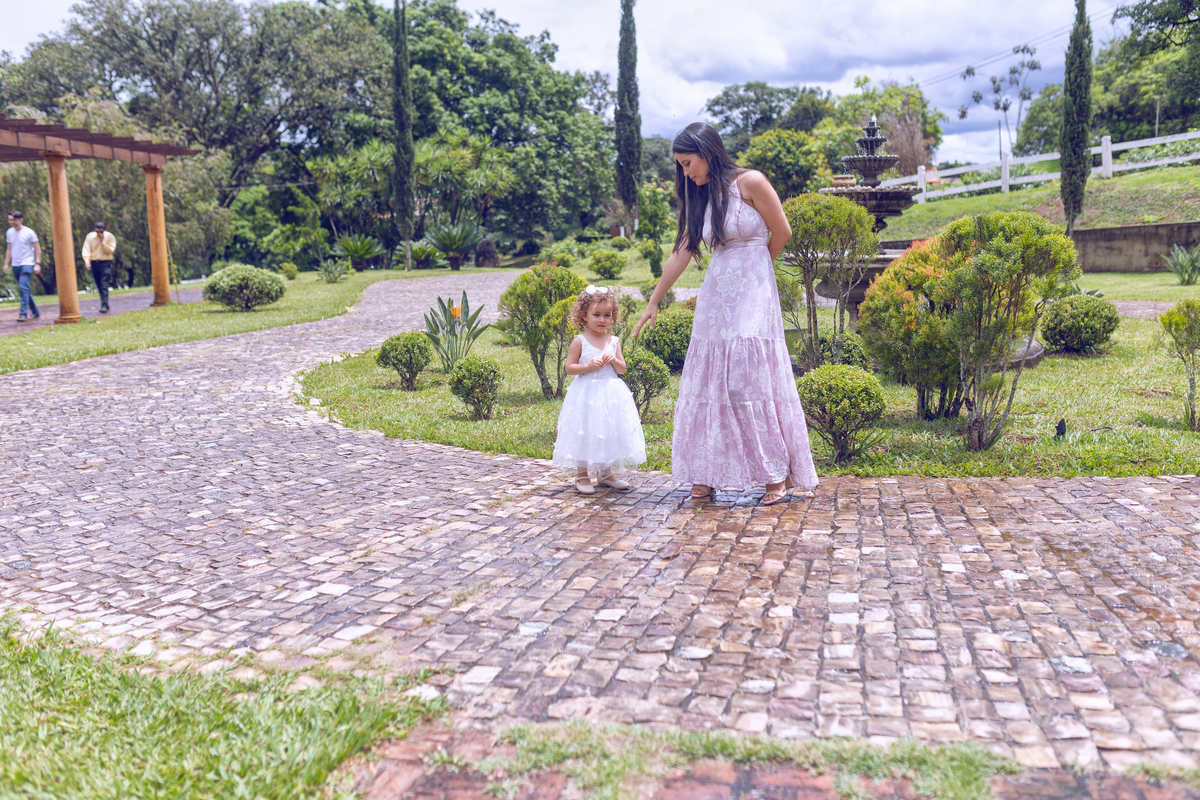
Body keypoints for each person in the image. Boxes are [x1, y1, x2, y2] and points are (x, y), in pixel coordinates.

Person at [634, 122, 818, 505]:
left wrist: (756, 271)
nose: (686, 172)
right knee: (709, 380)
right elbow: (682, 251)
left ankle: (775, 475)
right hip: (717, 296)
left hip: (753, 290)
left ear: (707, 152)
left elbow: (781, 231)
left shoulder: (751, 182)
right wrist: (654, 301)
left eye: (688, 163)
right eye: (681, 166)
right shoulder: (702, 196)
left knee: (745, 378)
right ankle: (705, 473)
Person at [552, 285, 646, 494]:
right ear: (584, 315)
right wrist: (587, 365)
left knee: (607, 430)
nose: (602, 319)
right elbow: (569, 368)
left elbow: (622, 369)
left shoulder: (613, 341)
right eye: (596, 315)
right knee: (585, 430)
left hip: (610, 394)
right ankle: (582, 475)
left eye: (607, 315)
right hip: (586, 393)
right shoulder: (580, 341)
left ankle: (606, 474)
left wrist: (614, 360)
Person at [3, 211, 42, 322]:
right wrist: (6, 264)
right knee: (25, 289)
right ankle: (35, 311)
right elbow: (9, 249)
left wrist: (37, 264)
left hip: (27, 263)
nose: (11, 222)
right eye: (10, 220)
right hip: (16, 264)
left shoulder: (29, 232)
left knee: (22, 287)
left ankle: (23, 313)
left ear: (20, 220)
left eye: (13, 220)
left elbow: (38, 249)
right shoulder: (9, 232)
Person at [82, 221, 117, 313]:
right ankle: (104, 303)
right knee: (99, 284)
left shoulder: (110, 237)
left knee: (104, 284)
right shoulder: (90, 237)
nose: (99, 234)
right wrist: (87, 261)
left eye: (101, 232)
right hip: (94, 263)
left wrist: (102, 241)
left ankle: (104, 305)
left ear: (104, 230)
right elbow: (86, 249)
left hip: (105, 262)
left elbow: (110, 251)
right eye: (97, 232)